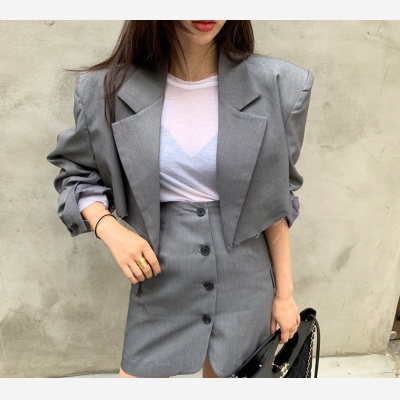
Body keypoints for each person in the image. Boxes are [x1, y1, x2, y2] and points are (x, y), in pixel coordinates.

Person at [47, 20, 314, 378]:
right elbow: (78, 175)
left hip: (246, 282)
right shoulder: (104, 90)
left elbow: (275, 200)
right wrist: (110, 230)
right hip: (161, 275)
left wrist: (284, 293)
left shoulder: (281, 84)